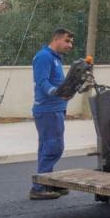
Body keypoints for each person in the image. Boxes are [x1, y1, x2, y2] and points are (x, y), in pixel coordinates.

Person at [29, 28, 74, 200]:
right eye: (67, 41)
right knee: (53, 148)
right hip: (47, 110)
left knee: (47, 148)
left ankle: (46, 182)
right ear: (56, 40)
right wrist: (55, 92)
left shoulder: (55, 58)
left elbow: (57, 83)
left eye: (71, 42)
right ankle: (39, 188)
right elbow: (42, 82)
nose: (69, 45)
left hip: (55, 109)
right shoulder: (44, 57)